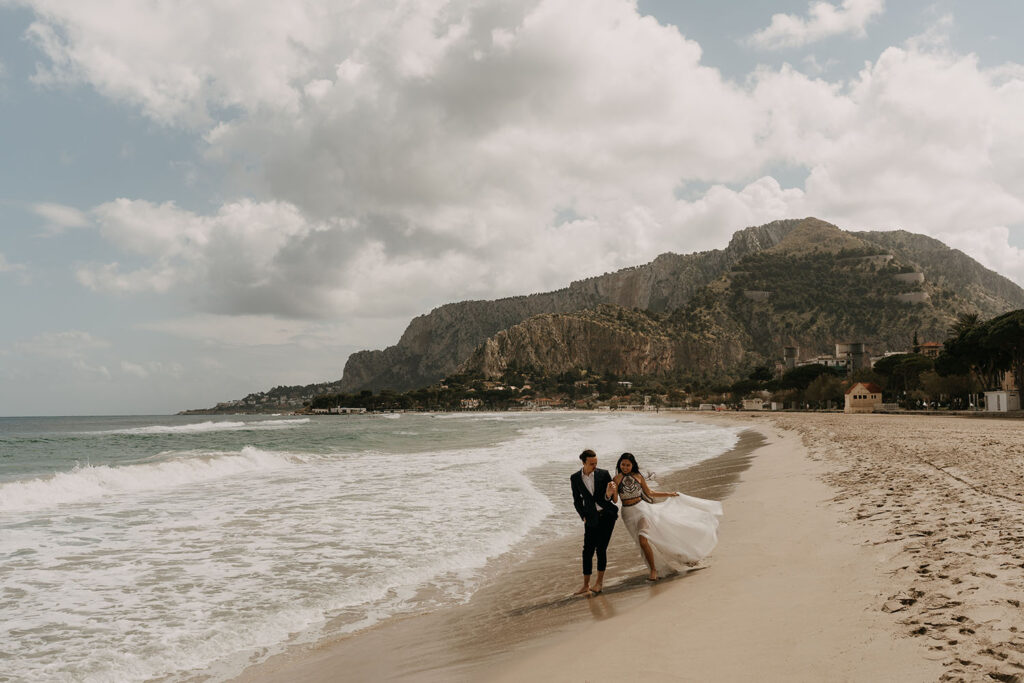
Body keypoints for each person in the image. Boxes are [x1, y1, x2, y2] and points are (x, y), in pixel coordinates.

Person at [613, 452, 722, 581]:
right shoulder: (616, 479)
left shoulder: (638, 477)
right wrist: (612, 490)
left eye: (628, 465)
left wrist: (669, 494)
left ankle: (654, 571)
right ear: (620, 465)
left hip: (642, 509)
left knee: (643, 539)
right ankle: (659, 564)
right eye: (623, 464)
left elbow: (650, 493)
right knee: (641, 543)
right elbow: (615, 500)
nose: (625, 467)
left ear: (633, 465)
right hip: (627, 514)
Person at [569, 449, 619, 595]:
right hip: (591, 518)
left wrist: (609, 493)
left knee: (601, 549)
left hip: (607, 515)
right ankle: (586, 585)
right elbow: (577, 500)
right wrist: (582, 515)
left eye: (596, 463)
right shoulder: (575, 478)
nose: (595, 466)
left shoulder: (603, 474)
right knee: (587, 551)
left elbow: (609, 497)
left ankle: (599, 583)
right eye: (592, 464)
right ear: (584, 463)